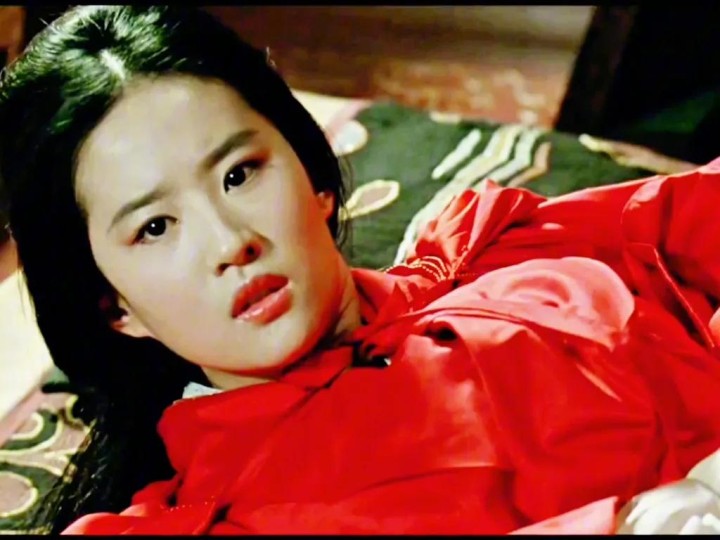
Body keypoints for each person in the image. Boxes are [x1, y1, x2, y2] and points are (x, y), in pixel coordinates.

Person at [3, 5, 720, 535]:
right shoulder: (219, 519)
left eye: (239, 174)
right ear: (114, 306)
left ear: (313, 176)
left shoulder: (505, 250)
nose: (231, 241)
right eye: (156, 228)